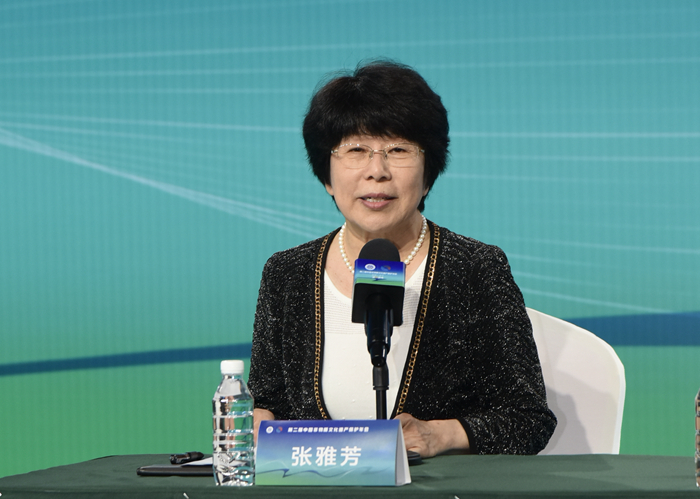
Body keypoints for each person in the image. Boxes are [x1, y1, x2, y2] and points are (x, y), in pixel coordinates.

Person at [248, 60, 556, 457]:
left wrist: (440, 436)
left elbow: (528, 420)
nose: (377, 171)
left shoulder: (475, 268)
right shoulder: (287, 274)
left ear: (428, 174)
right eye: (356, 150)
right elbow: (265, 402)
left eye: (398, 150)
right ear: (326, 175)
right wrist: (256, 420)